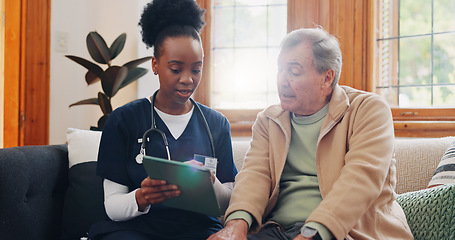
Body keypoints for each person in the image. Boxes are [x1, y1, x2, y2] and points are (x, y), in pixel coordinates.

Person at [208, 27, 414, 240]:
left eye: (294, 71)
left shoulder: (367, 110)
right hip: (278, 230)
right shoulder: (269, 120)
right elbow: (254, 176)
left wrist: (311, 234)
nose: (282, 80)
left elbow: (360, 180)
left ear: (327, 78)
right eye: (280, 69)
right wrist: (236, 226)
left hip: (344, 233)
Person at [88, 0, 237, 239]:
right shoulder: (123, 120)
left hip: (197, 230)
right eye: (176, 69)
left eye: (196, 69)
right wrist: (141, 197)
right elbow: (112, 206)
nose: (188, 79)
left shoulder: (217, 124)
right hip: (137, 230)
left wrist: (212, 184)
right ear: (155, 65)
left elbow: (228, 201)